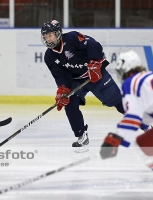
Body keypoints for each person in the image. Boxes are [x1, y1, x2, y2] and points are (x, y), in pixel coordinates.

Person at [41, 19, 125, 153]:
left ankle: (145, 125)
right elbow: (61, 75)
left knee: (118, 102)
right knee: (69, 103)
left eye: (50, 35)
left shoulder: (72, 38)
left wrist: (96, 63)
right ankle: (81, 136)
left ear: (58, 33)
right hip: (77, 80)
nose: (47, 39)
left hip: (96, 75)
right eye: (45, 36)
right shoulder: (49, 56)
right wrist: (63, 88)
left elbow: (93, 44)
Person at [100, 50, 153, 173]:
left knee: (142, 146)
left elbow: (133, 116)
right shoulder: (151, 76)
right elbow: (146, 115)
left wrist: (116, 139)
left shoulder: (131, 83)